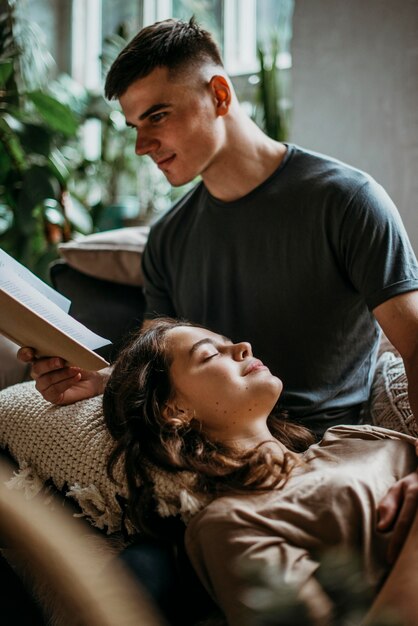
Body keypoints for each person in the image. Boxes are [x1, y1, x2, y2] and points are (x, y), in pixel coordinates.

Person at [18, 17, 418, 437]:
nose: (141, 146)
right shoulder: (167, 238)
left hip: (326, 452)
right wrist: (99, 380)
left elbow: (413, 344)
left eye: (157, 116)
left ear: (220, 95)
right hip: (206, 448)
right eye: (136, 126)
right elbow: (158, 366)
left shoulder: (348, 200)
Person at [102, 317, 418, 626]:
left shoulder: (351, 437)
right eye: (210, 353)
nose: (244, 346)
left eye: (228, 342)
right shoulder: (230, 523)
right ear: (174, 411)